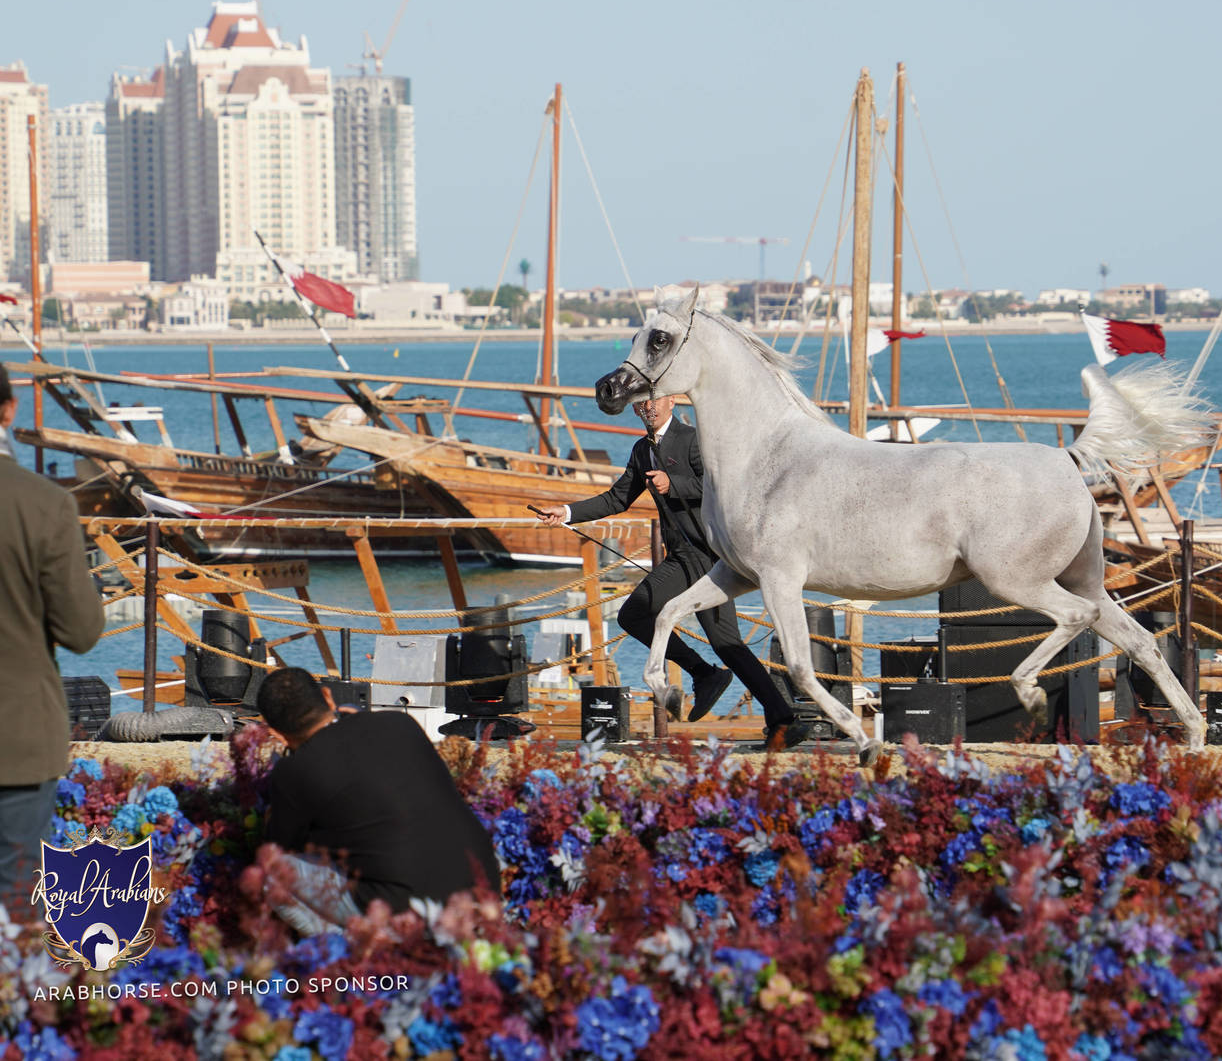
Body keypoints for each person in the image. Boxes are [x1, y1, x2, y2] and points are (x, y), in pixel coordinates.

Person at [535, 394, 810, 751]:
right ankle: (765, 709)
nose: (647, 408)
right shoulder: (641, 449)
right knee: (707, 637)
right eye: (640, 404)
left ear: (668, 402)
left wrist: (673, 483)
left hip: (708, 555)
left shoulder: (695, 439)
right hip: (681, 556)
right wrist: (567, 512)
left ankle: (729, 688)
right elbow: (618, 499)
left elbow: (723, 486)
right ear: (634, 409)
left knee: (657, 621)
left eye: (652, 401)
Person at [0, 351, 104, 920]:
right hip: (17, 732)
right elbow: (81, 632)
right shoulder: (45, 505)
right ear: (8, 411)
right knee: (14, 897)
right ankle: (3, 1005)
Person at [256, 667, 498, 934]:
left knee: (273, 875)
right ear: (328, 697)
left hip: (405, 913)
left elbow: (280, 847)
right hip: (484, 890)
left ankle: (351, 947)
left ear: (277, 734)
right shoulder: (400, 723)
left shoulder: (293, 772)